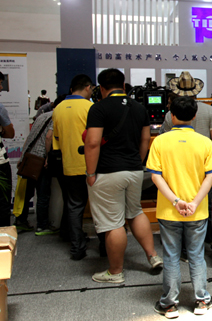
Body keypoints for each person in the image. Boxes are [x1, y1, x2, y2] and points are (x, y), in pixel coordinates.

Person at [84, 68, 162, 283]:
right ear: (124, 84)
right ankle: (153, 256)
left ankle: (115, 272)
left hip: (107, 171)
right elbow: (145, 140)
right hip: (134, 170)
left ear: (101, 88)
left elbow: (92, 143)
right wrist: (137, 161)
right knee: (135, 212)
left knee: (113, 222)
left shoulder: (98, 108)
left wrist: (90, 172)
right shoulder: (139, 108)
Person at [148, 96, 212, 318]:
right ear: (195, 115)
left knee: (171, 256)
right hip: (197, 211)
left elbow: (155, 176)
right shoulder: (205, 142)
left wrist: (175, 201)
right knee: (197, 255)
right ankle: (201, 301)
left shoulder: (160, 142)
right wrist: (194, 202)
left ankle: (170, 304)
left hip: (169, 210)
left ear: (171, 116)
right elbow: (211, 176)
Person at [160, 71, 212, 262]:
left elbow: (164, 140)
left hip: (177, 168)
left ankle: (185, 250)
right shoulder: (209, 110)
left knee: (180, 206)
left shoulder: (170, 114)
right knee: (210, 206)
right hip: (205, 166)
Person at [52, 74, 94, 260]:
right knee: (97, 207)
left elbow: (57, 138)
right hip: (90, 165)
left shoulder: (58, 108)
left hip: (68, 164)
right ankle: (104, 246)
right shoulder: (89, 107)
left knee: (74, 207)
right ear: (87, 87)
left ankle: (77, 248)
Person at [15, 95, 65, 233]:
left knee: (27, 193)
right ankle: (42, 225)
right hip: (40, 159)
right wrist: (48, 157)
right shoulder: (56, 116)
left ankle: (21, 220)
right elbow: (49, 137)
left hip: (29, 157)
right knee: (43, 193)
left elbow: (30, 136)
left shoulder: (42, 115)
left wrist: (22, 155)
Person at [0, 72, 15, 227]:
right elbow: (10, 133)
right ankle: (3, 236)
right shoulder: (0, 108)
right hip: (0, 163)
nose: (1, 87)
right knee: (3, 202)